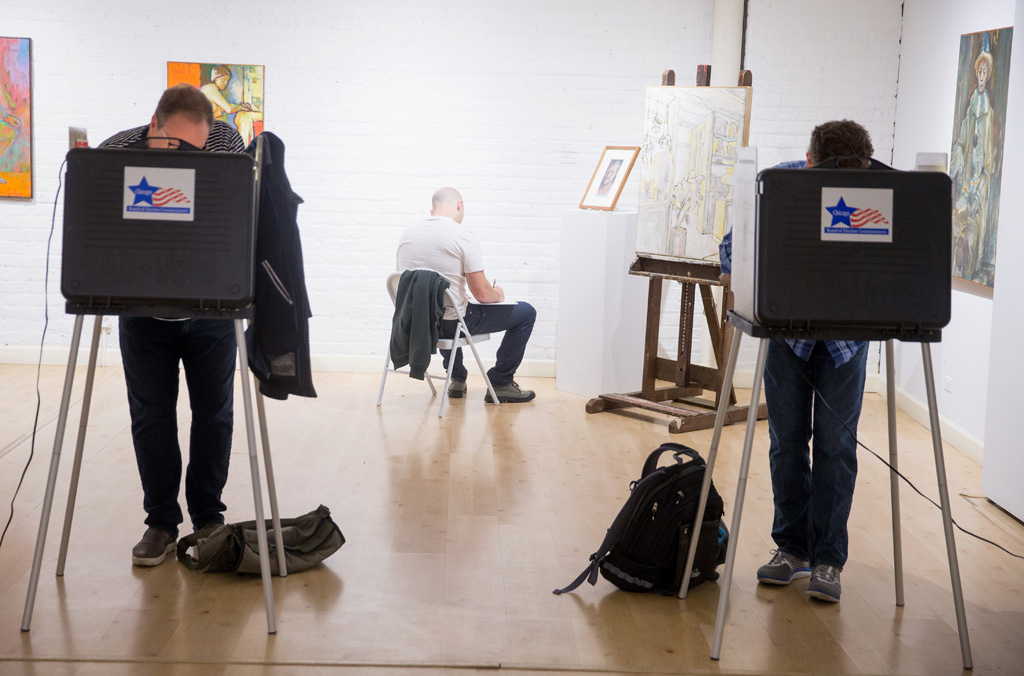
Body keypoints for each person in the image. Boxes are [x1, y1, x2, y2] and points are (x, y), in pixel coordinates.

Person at [719, 119, 873, 603]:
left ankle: (827, 559)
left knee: (834, 447)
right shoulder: (776, 187)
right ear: (808, 162)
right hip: (788, 338)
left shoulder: (876, 194)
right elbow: (729, 250)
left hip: (845, 342)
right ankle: (791, 548)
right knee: (787, 442)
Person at [100, 84, 246, 566]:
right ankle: (161, 522)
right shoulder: (117, 150)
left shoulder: (225, 143)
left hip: (210, 312)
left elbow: (235, 220)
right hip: (143, 313)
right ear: (153, 125)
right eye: (175, 146)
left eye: (196, 150)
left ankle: (208, 518)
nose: (187, 158)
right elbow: (97, 225)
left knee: (215, 416)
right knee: (151, 417)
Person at [396, 187, 537, 403]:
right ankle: (501, 383)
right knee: (526, 313)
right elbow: (482, 294)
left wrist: (455, 295)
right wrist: (497, 294)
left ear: (432, 211)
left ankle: (457, 378)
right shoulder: (462, 235)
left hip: (419, 322)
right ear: (460, 205)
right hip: (452, 323)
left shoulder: (408, 235)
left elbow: (415, 287)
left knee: (441, 308)